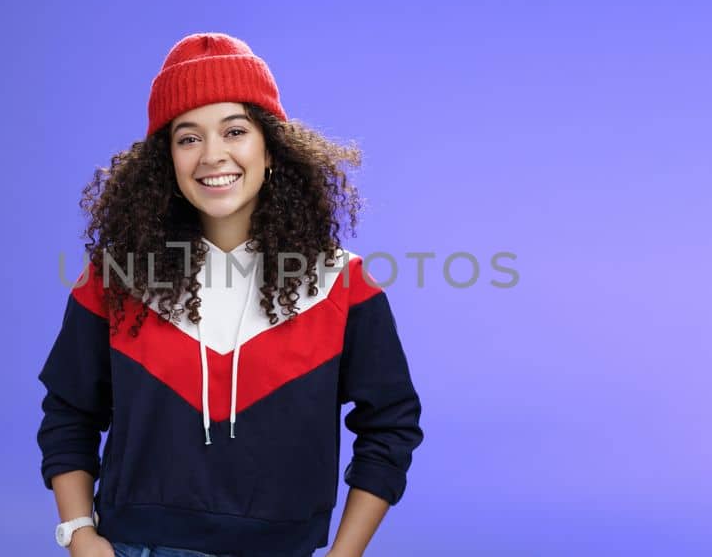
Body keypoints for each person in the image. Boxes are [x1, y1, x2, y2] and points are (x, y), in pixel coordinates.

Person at [38, 32, 423, 557]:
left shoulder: (343, 285)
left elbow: (390, 427)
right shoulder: (115, 280)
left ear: (271, 150)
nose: (212, 155)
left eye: (235, 130)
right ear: (166, 163)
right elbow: (69, 413)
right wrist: (79, 533)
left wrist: (344, 554)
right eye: (188, 137)